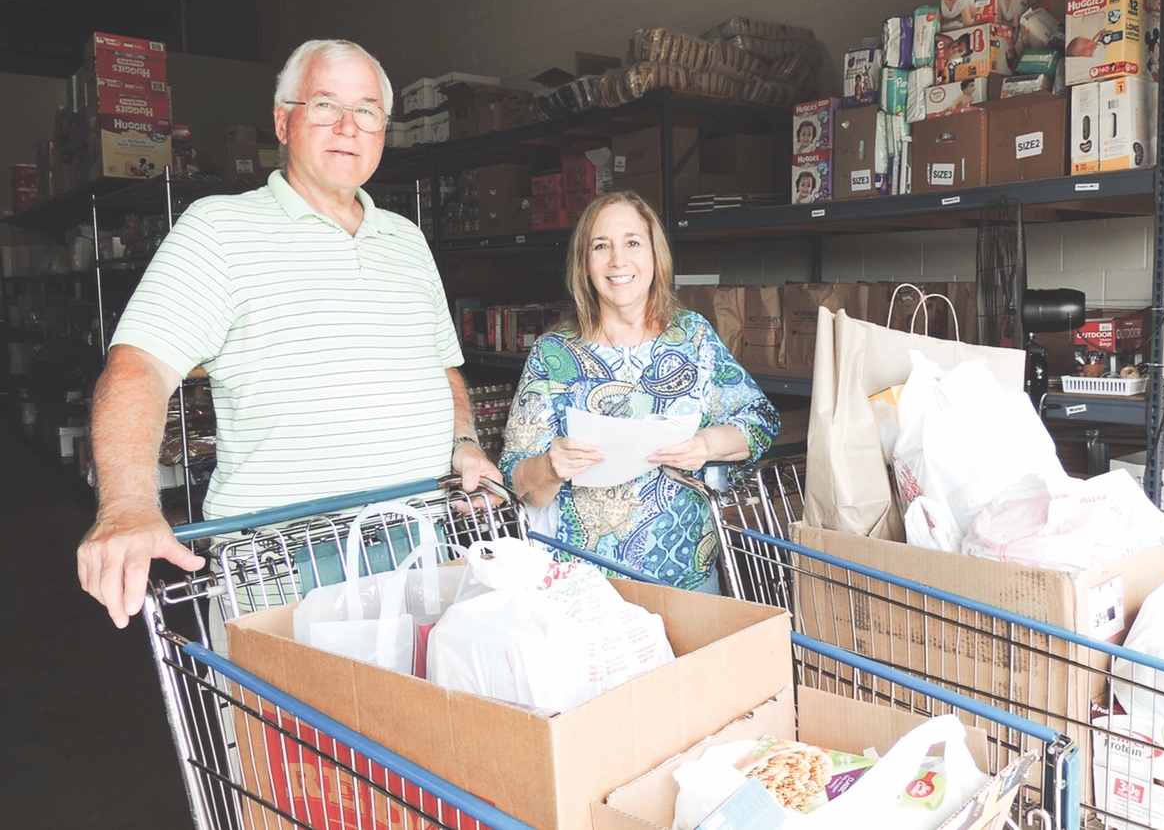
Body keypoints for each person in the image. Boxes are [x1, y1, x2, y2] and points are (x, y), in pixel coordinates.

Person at [78, 39, 500, 628]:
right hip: (285, 558)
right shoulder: (219, 228)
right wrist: (126, 506)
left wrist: (464, 442)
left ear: (384, 130)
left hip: (421, 539)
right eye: (326, 104)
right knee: (290, 720)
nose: (348, 127)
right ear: (283, 120)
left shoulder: (406, 239)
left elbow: (441, 366)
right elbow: (138, 368)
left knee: (414, 712)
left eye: (368, 111)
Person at [498, 191, 780, 592]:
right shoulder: (553, 353)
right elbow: (515, 477)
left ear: (654, 255)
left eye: (632, 242)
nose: (618, 260)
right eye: (601, 246)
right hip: (584, 587)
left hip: (690, 578)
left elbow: (760, 420)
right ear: (584, 263)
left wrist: (706, 443)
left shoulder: (693, 336)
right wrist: (549, 466)